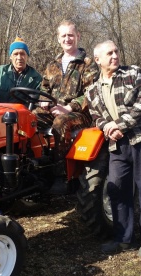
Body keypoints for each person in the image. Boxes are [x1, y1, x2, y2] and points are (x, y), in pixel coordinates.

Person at [86, 40, 141, 258]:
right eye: (109, 53)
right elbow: (96, 117)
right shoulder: (91, 90)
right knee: (116, 189)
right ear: (98, 60)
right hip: (117, 144)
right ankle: (124, 238)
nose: (115, 56)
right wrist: (108, 129)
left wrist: (118, 125)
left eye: (116, 51)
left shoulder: (133, 74)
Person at [34, 20, 99, 171]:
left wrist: (69, 108)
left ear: (78, 36)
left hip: (80, 114)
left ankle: (61, 171)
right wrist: (43, 100)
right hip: (53, 110)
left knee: (60, 122)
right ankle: (33, 164)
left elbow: (92, 93)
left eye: (70, 35)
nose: (67, 39)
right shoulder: (52, 65)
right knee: (28, 118)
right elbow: (44, 87)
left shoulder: (87, 64)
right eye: (63, 36)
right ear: (58, 39)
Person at [0, 37, 42, 105]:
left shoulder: (36, 78)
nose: (19, 58)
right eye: (15, 54)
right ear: (11, 57)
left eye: (22, 54)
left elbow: (40, 103)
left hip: (23, 114)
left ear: (27, 56)